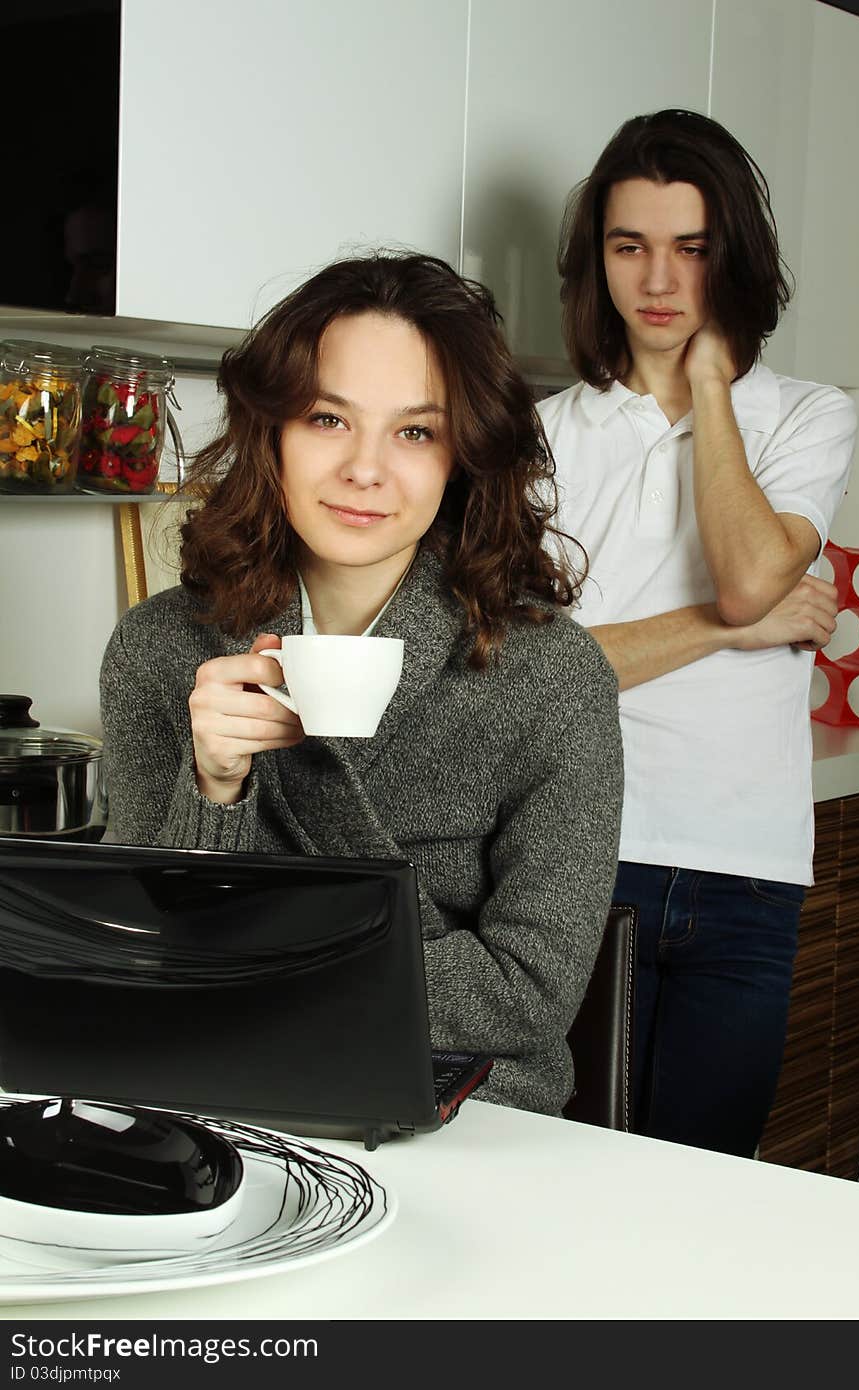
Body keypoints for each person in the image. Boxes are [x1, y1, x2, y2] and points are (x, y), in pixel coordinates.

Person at [99, 251, 624, 1119]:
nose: (366, 470)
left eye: (415, 431)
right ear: (271, 429)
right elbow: (138, 953)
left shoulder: (553, 677)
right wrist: (213, 788)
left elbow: (530, 992)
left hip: (467, 1116)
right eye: (327, 419)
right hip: (216, 1099)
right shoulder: (161, 648)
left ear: (464, 456)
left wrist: (260, 963)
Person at [537, 109, 857, 1157]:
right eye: (630, 247)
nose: (659, 280)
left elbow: (754, 567)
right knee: (569, 1179)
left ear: (734, 260)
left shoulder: (809, 413)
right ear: (598, 262)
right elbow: (536, 680)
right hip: (579, 854)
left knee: (710, 1186)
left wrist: (712, 382)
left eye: (691, 248)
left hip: (749, 867)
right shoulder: (536, 439)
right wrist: (728, 629)